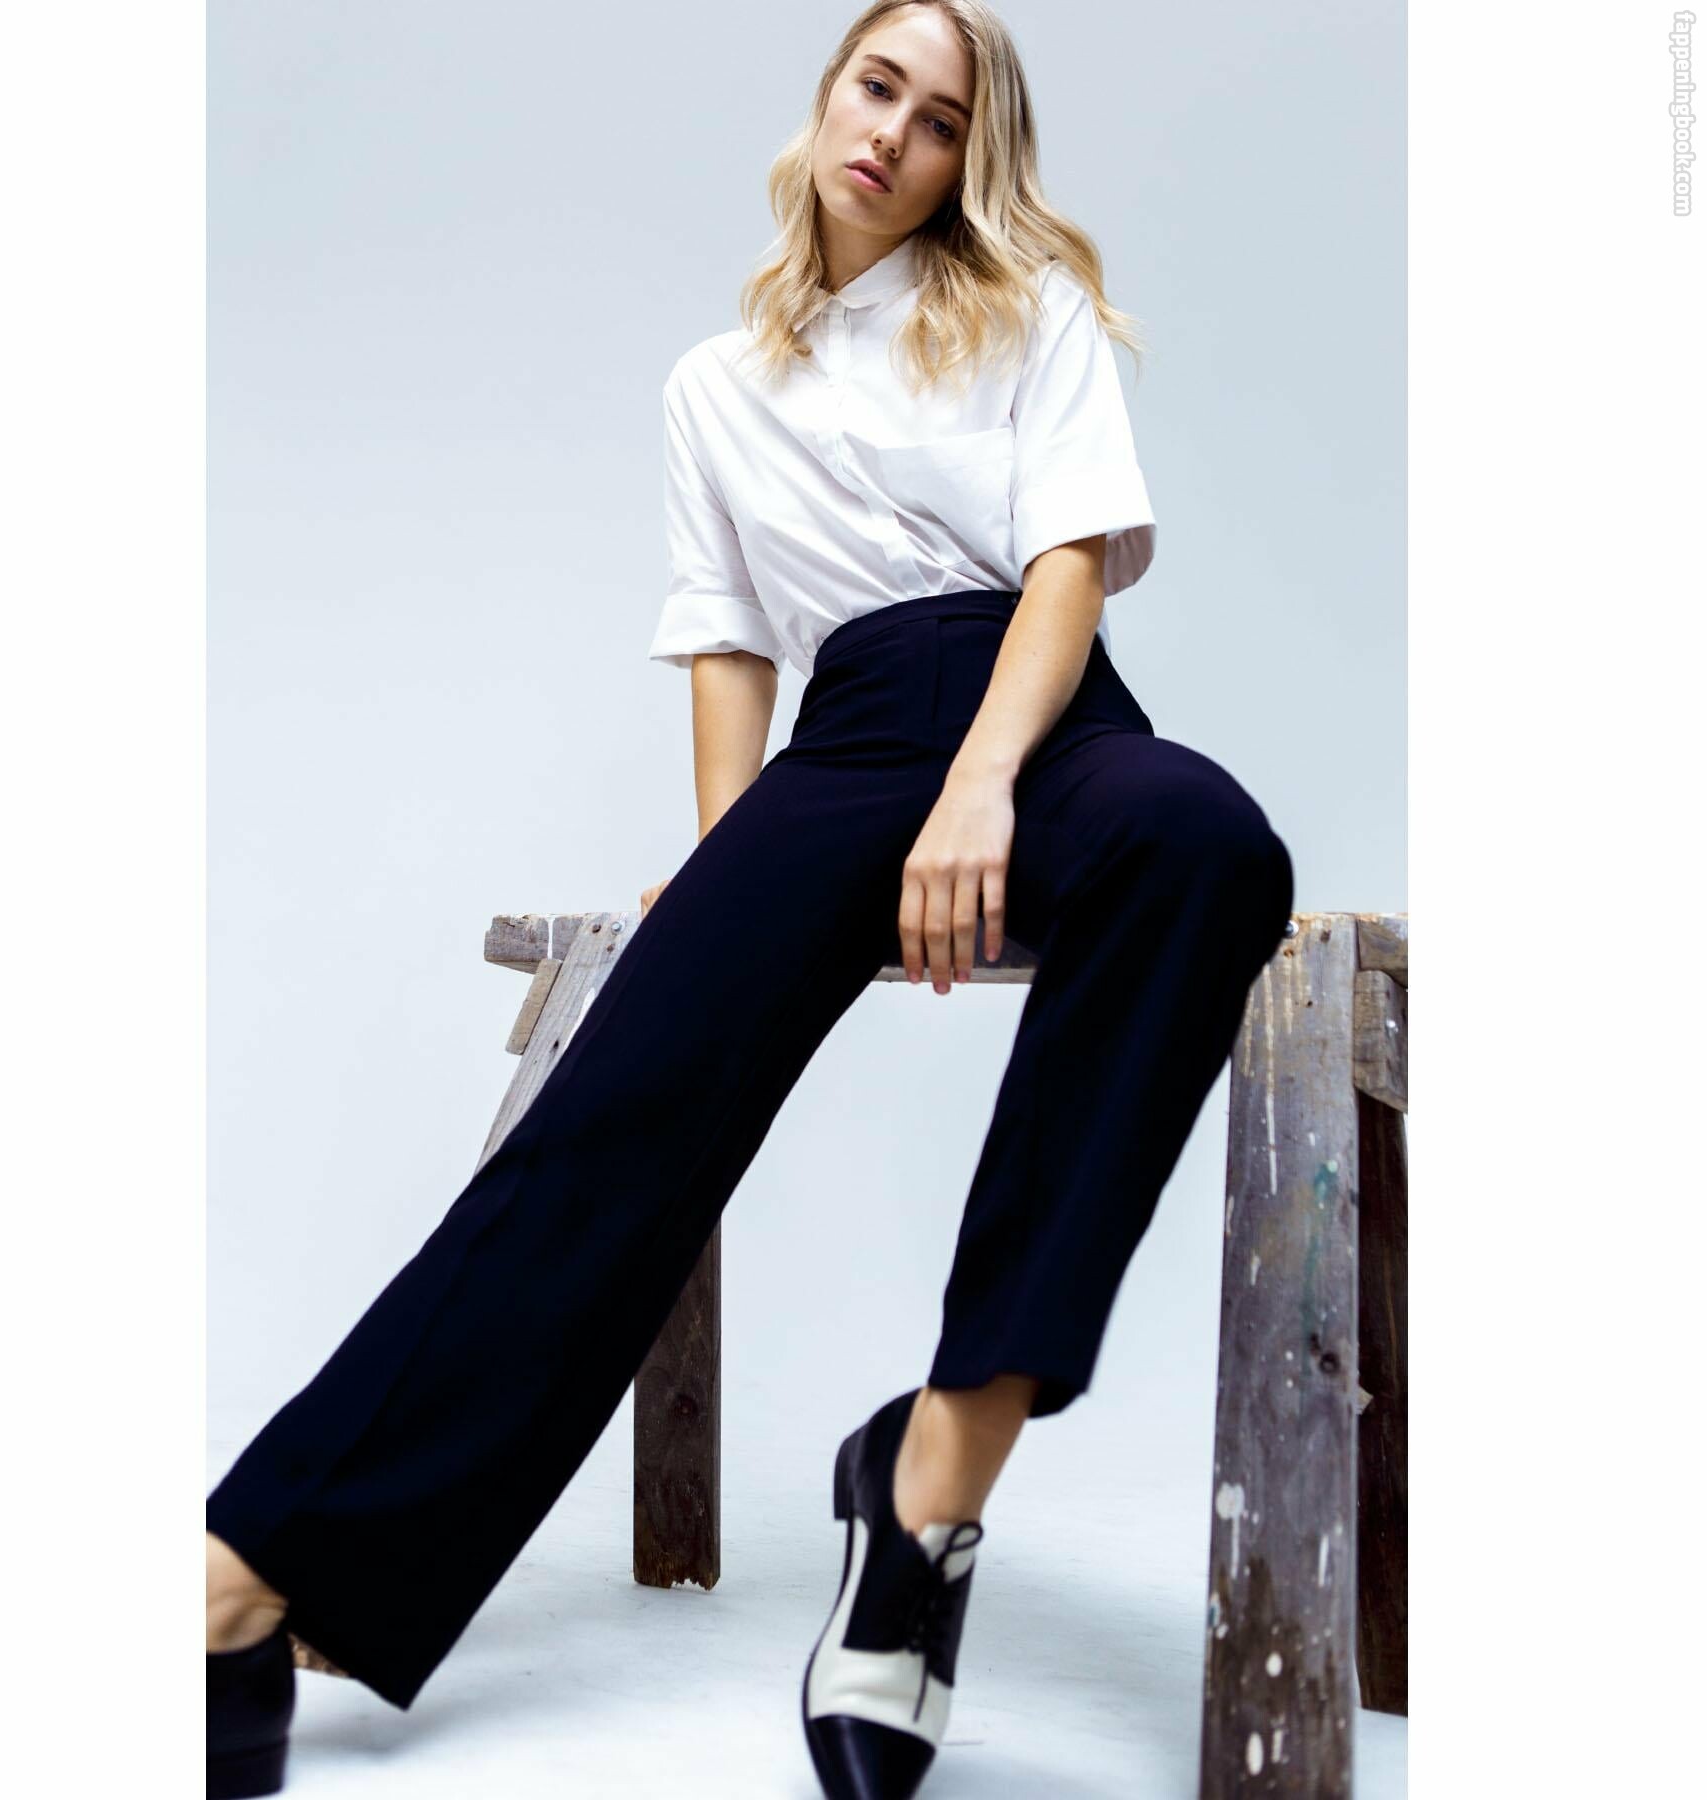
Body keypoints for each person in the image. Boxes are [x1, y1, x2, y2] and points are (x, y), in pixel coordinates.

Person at [205, 3, 1295, 1797]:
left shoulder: (1028, 314)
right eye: (879, 87)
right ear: (828, 92)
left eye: (940, 122)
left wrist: (983, 785)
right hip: (844, 750)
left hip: (1043, 724)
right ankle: (252, 1581)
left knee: (1208, 843)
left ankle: (931, 1484)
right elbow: (727, 638)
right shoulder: (712, 388)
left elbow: (1067, 567)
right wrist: (736, 878)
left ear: (968, 161)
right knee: (618, 1120)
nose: (895, 135)